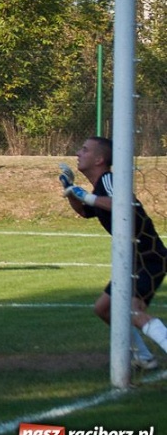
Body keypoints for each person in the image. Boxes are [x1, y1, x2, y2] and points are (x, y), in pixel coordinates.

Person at [61, 136, 167, 370]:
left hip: (148, 257)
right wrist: (70, 190)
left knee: (132, 311)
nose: (78, 153)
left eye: (85, 149)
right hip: (132, 260)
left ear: (99, 159)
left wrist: (84, 195)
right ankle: (144, 357)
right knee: (104, 309)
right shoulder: (100, 188)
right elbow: (86, 212)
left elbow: (122, 203)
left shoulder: (108, 180)